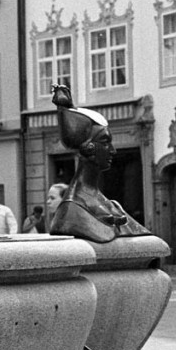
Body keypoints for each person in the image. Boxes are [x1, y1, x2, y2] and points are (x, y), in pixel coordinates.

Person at [49, 84, 149, 242]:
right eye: (105, 142)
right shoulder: (71, 209)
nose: (112, 150)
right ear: (88, 148)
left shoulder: (110, 204)